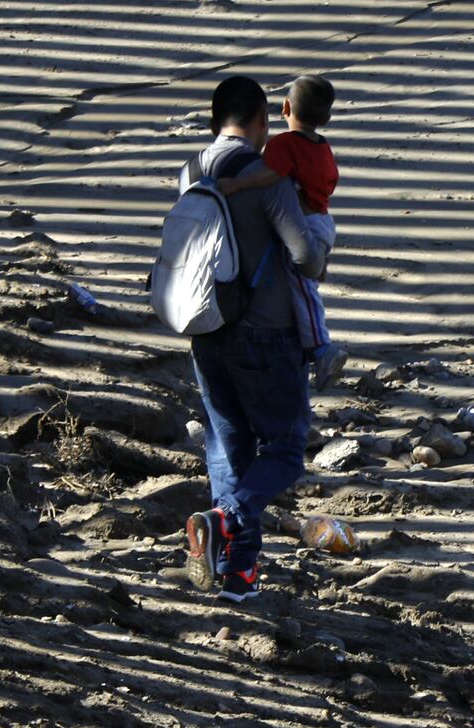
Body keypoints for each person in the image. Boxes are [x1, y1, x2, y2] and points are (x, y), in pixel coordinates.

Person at [182, 75, 330, 603]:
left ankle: (237, 575)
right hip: (266, 332)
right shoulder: (267, 179)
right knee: (286, 451)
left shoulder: (192, 170)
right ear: (265, 121)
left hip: (206, 326)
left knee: (228, 449)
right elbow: (306, 257)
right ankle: (225, 521)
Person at [217, 74, 347, 391]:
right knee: (308, 279)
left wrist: (236, 184)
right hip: (323, 221)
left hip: (308, 224)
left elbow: (270, 174)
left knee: (303, 287)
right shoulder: (324, 148)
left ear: (285, 107)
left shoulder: (284, 144)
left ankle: (321, 347)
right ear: (326, 118)